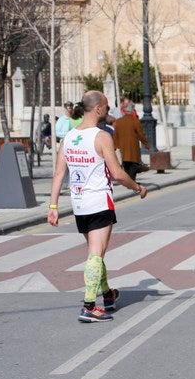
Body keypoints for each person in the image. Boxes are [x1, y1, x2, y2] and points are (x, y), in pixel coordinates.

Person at [46, 90, 148, 323]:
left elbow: (59, 173)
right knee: (96, 254)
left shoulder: (69, 137)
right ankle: (89, 306)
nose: (109, 109)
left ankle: (108, 295)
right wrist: (138, 188)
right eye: (107, 106)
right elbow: (117, 173)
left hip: (79, 204)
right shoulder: (102, 137)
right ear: (99, 109)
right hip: (100, 202)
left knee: (96, 253)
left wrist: (53, 206)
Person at [112, 100, 151, 181]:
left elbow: (115, 135)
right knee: (133, 165)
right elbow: (141, 134)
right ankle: (132, 180)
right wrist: (146, 143)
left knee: (126, 164)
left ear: (125, 110)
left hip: (122, 148)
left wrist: (115, 146)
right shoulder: (135, 121)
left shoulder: (118, 121)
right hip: (133, 148)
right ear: (133, 110)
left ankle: (129, 180)